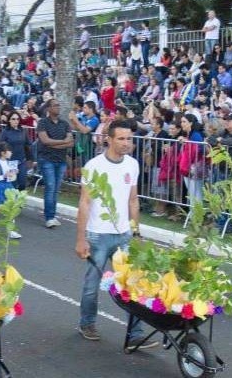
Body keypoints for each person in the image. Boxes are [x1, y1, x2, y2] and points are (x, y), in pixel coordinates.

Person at [74, 119, 157, 348]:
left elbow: (133, 200)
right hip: (98, 236)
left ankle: (135, 334)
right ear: (108, 139)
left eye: (129, 139)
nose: (126, 143)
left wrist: (136, 231)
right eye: (121, 138)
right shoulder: (93, 166)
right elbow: (85, 203)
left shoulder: (132, 164)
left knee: (132, 284)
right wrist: (81, 239)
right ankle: (87, 323)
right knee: (92, 284)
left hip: (124, 236)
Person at [37, 98, 74, 228]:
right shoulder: (42, 123)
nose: (58, 107)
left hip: (61, 160)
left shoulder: (64, 124)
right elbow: (45, 141)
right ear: (48, 108)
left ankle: (52, 215)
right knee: (50, 187)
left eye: (59, 105)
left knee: (56, 189)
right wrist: (63, 143)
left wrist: (57, 144)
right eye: (55, 105)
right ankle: (49, 217)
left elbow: (71, 142)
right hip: (47, 159)